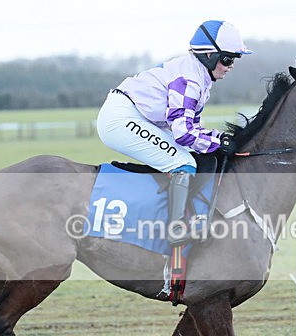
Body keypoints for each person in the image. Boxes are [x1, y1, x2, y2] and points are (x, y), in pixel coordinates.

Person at [96, 20, 252, 246]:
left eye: (235, 59)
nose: (231, 66)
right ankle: (176, 229)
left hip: (137, 115)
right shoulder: (190, 79)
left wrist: (219, 138)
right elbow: (184, 134)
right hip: (121, 118)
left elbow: (193, 129)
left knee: (192, 156)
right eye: (227, 59)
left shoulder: (199, 75)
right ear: (209, 55)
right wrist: (217, 144)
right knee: (183, 162)